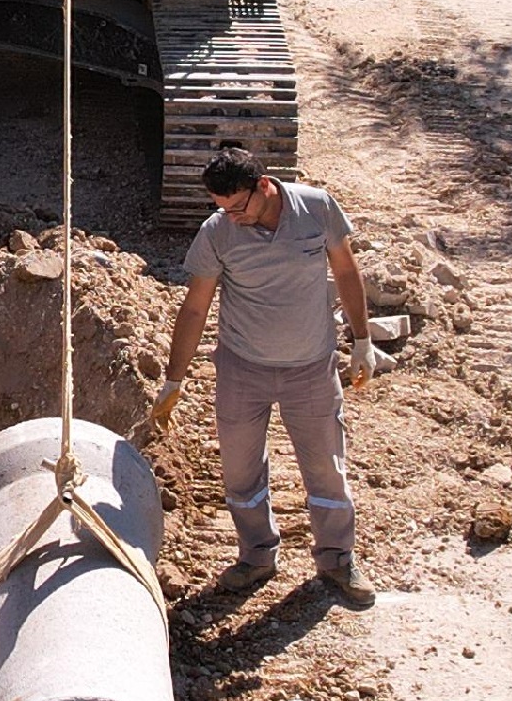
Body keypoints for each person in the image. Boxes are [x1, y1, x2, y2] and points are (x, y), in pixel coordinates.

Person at [143, 145, 373, 600]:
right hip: (242, 370)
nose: (231, 216)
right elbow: (194, 308)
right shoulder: (218, 233)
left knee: (326, 469)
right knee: (240, 471)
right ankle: (256, 555)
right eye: (221, 208)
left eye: (237, 205)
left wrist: (362, 340)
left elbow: (346, 270)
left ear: (264, 186)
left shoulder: (317, 207)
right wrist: (174, 378)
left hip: (310, 368)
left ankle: (337, 558)